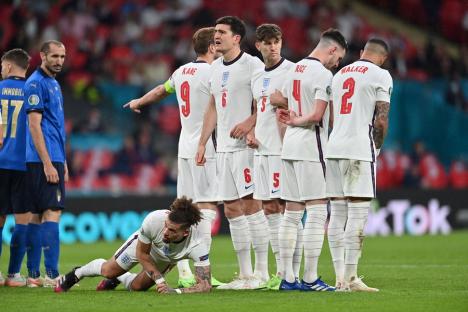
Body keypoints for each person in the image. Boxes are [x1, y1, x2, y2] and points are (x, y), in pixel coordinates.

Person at [124, 27, 223, 288]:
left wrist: (138, 102)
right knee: (207, 207)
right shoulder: (213, 71)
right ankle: (202, 269)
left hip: (184, 146)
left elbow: (160, 90)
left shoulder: (181, 72)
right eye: (217, 43)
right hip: (206, 146)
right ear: (212, 47)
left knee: (181, 208)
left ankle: (183, 272)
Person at [196, 16, 269, 290]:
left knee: (252, 204)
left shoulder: (253, 65)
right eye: (215, 31)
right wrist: (203, 142)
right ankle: (245, 274)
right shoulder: (214, 68)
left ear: (236, 38)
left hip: (246, 147)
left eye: (222, 32)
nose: (216, 35)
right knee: (231, 208)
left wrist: (251, 124)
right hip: (224, 147)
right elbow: (213, 107)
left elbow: (264, 102)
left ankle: (262, 272)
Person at [272, 28, 347, 291]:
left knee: (291, 215)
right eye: (338, 59)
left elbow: (274, 97)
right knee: (316, 212)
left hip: (289, 147)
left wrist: (288, 111)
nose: (337, 64)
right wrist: (297, 118)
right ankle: (310, 277)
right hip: (311, 147)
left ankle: (288, 278)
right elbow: (317, 116)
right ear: (332, 50)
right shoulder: (323, 74)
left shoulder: (294, 68)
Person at [325, 38, 392, 292]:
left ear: (362, 52)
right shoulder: (381, 75)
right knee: (358, 213)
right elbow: (381, 120)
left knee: (337, 214)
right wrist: (377, 148)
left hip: (334, 148)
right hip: (358, 150)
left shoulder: (339, 74)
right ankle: (351, 278)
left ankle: (339, 279)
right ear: (383, 58)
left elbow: (333, 115)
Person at [54, 197, 212, 294]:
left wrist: (175, 291)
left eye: (172, 230)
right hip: (144, 245)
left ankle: (120, 278)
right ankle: (77, 273)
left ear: (185, 233)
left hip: (165, 258)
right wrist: (158, 278)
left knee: (136, 288)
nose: (165, 232)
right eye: (166, 225)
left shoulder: (198, 244)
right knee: (108, 271)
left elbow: (205, 286)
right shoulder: (154, 220)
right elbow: (142, 254)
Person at [246, 24, 295, 290]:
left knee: (286, 208)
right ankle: (280, 271)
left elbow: (306, 106)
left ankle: (291, 271)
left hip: (281, 150)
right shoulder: (256, 77)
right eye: (268, 42)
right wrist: (252, 132)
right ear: (259, 46)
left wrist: (285, 102)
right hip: (261, 150)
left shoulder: (292, 71)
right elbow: (259, 110)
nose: (273, 46)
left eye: (277, 41)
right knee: (269, 208)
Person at [24, 40, 68, 287]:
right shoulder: (36, 83)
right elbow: (34, 125)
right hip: (44, 159)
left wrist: (63, 163)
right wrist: (48, 163)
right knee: (52, 211)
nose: (59, 61)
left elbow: (56, 127)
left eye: (62, 56)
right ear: (42, 55)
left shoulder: (53, 83)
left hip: (53, 157)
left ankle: (33, 275)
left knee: (37, 214)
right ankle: (51, 275)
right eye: (54, 56)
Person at [0, 48, 31, 287]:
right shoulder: (33, 90)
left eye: (2, 67)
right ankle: (13, 275)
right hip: (24, 164)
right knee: (22, 221)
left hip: (1, 163)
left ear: (9, 66)